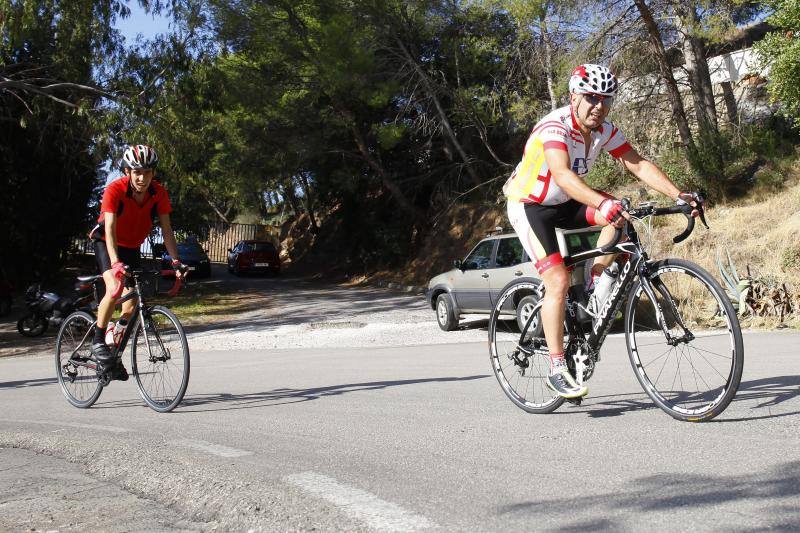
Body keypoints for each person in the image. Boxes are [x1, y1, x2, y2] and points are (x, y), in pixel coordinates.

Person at [503, 64, 702, 399]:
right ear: (574, 97)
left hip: (565, 201)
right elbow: (562, 175)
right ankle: (556, 368)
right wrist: (601, 201)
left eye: (606, 100)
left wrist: (678, 194)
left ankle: (596, 286)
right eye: (591, 98)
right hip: (530, 205)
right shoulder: (555, 127)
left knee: (619, 218)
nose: (599, 106)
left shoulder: (603, 130)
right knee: (558, 280)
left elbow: (638, 164)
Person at [88, 144, 186, 380]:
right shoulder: (115, 190)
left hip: (132, 248)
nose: (142, 178)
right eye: (137, 172)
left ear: (154, 173)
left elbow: (167, 230)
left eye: (147, 172)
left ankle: (113, 349)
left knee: (131, 304)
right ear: (127, 172)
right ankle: (98, 340)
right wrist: (115, 263)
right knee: (115, 287)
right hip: (107, 243)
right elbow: (110, 228)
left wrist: (176, 261)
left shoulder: (159, 193)